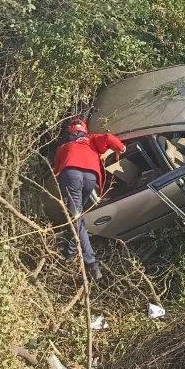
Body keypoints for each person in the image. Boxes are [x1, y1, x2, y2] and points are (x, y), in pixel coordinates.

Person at [53, 116, 126, 282]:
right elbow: (108, 138)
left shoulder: (64, 146)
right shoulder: (92, 140)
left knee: (76, 217)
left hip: (71, 175)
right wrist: (120, 148)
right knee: (78, 218)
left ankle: (90, 262)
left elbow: (56, 170)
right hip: (91, 177)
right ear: (85, 131)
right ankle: (70, 252)